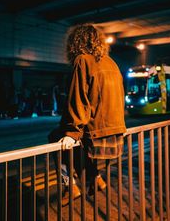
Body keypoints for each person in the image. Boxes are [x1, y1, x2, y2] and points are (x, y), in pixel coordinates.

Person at [48, 23, 126, 206]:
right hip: (116, 131)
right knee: (77, 144)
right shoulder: (112, 62)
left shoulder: (82, 60)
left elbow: (78, 99)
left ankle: (70, 186)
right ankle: (96, 178)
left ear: (76, 42)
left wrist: (71, 132)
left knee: (56, 139)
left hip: (97, 133)